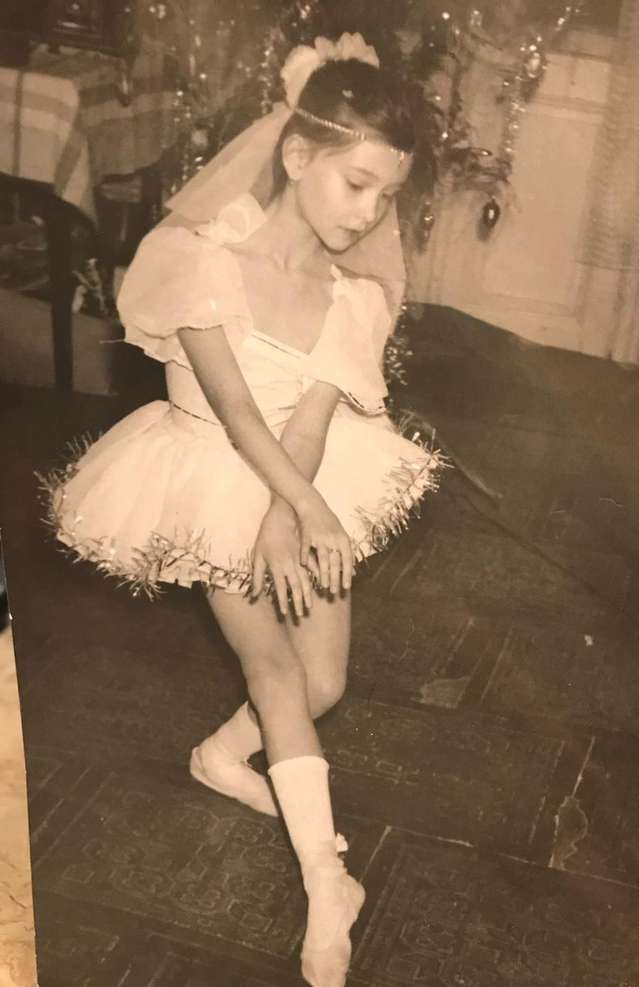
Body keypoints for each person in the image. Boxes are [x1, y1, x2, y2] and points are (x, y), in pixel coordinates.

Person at [41, 32, 445, 987]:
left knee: (324, 681)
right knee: (274, 669)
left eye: (386, 195)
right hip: (213, 472)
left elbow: (309, 419)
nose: (370, 212)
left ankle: (223, 756)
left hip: (296, 478)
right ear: (297, 154)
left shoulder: (353, 296)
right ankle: (327, 884)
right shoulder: (199, 258)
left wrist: (291, 514)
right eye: (357, 184)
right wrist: (284, 511)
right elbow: (234, 413)